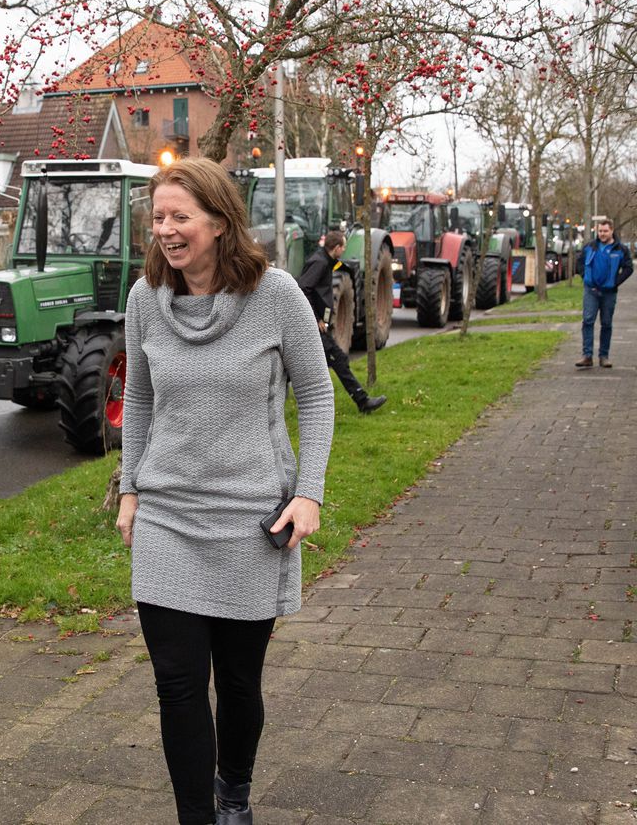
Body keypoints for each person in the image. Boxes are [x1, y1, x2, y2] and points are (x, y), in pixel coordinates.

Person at [116, 158, 335, 825]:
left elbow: (318, 395)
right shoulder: (143, 300)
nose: (166, 231)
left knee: (238, 684)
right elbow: (139, 401)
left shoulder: (274, 295)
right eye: (157, 219)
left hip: (251, 521)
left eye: (179, 217)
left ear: (218, 221)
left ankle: (232, 790)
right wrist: (130, 492)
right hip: (168, 521)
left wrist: (310, 491)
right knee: (178, 685)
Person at [296, 230, 387, 413]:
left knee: (330, 361)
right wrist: (315, 319)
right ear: (336, 248)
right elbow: (303, 288)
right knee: (336, 359)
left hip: (319, 327)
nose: (344, 250)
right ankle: (362, 401)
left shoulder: (327, 262)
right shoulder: (319, 262)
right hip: (314, 327)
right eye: (343, 246)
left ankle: (362, 401)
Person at [576, 217, 632, 368]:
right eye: (600, 231)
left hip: (609, 292)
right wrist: (585, 277)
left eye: (605, 231)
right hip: (591, 291)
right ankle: (587, 355)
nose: (602, 234)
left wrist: (616, 281)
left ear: (612, 231)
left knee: (606, 323)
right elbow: (579, 262)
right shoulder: (589, 247)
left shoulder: (620, 249)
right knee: (588, 321)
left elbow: (629, 268)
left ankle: (604, 356)